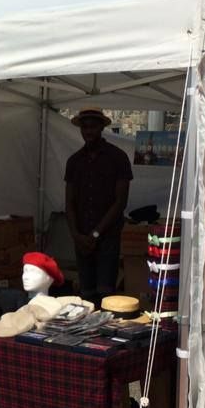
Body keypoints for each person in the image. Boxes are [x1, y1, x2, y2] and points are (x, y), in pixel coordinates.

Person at [65, 107, 133, 306]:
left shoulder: (118, 157)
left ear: (102, 127)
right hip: (81, 237)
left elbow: (120, 202)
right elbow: (68, 202)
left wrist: (95, 234)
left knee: (106, 296)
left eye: (93, 126)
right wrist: (76, 235)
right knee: (86, 296)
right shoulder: (74, 161)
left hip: (106, 237)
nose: (88, 131)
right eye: (84, 127)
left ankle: (103, 336)